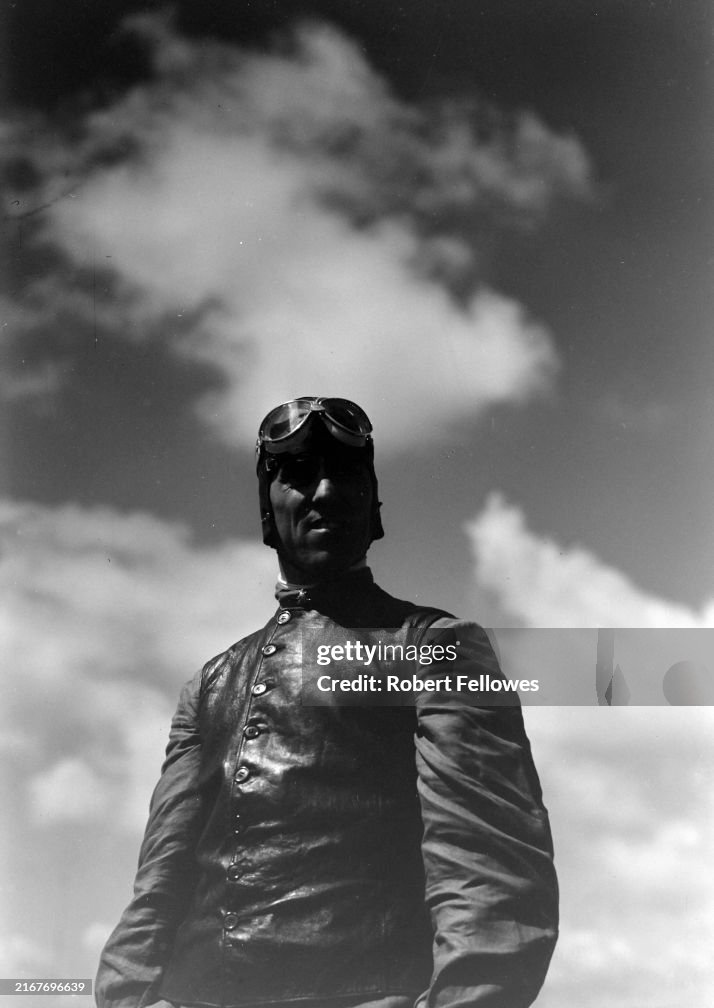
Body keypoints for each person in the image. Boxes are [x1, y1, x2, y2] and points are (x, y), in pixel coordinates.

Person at [96, 397, 558, 1008]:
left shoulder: (435, 646)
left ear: (374, 508)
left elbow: (491, 876)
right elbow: (158, 881)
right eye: (297, 475)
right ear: (268, 511)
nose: (325, 492)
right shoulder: (209, 684)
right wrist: (127, 999)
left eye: (346, 474)